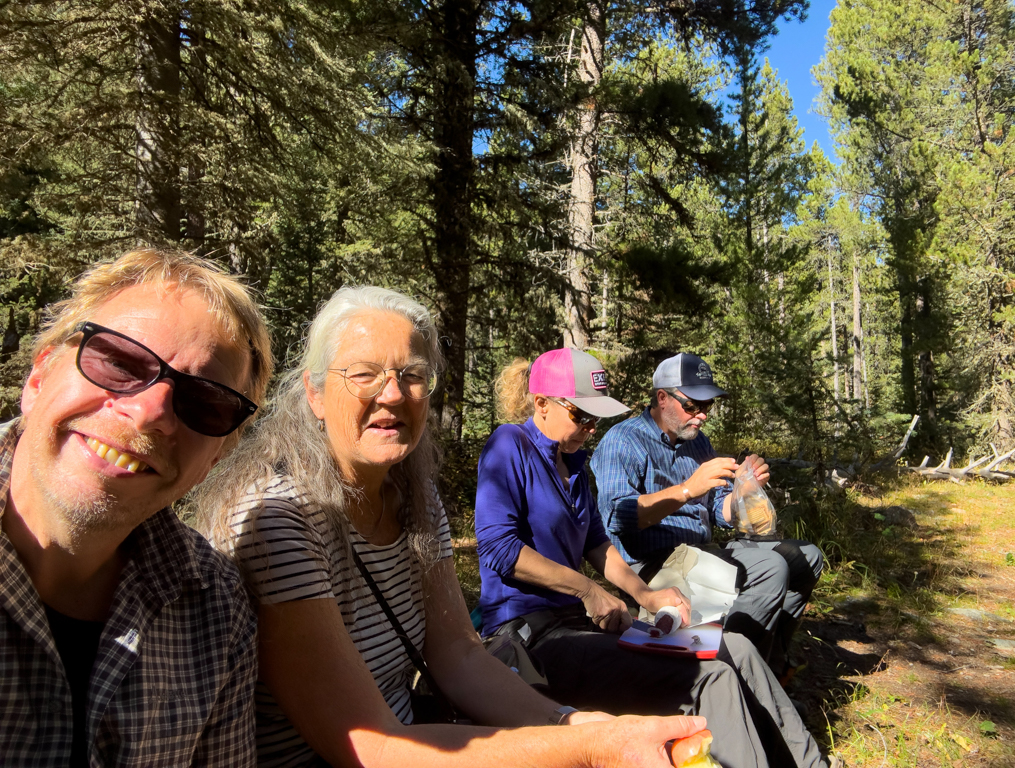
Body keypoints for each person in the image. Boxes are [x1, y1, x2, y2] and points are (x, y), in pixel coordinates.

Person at [197, 286, 708, 768]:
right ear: (314, 392)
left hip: (419, 734)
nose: (393, 394)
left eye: (412, 376)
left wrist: (568, 721)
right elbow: (365, 746)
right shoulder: (279, 517)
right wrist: (579, 745)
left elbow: (458, 653)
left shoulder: (416, 501)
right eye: (364, 374)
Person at [475, 348, 833, 768]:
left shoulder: (571, 463)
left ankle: (811, 765)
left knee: (735, 646)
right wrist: (589, 591)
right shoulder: (510, 445)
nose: (590, 429)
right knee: (710, 677)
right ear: (541, 404)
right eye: (581, 417)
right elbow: (499, 549)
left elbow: (597, 542)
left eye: (597, 420)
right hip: (533, 635)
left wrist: (647, 597)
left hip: (578, 625)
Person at [0, 248, 273, 766]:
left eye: (203, 403)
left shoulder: (218, 612)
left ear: (215, 458)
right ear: (37, 380)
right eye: (120, 361)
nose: (150, 412)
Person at [590, 352, 824, 679]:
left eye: (708, 406)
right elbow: (617, 517)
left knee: (806, 557)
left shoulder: (698, 442)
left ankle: (769, 667)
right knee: (771, 568)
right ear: (662, 397)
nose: (701, 416)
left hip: (700, 552)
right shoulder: (623, 440)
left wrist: (742, 492)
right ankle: (728, 678)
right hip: (652, 562)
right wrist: (686, 489)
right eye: (692, 406)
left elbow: (718, 510)